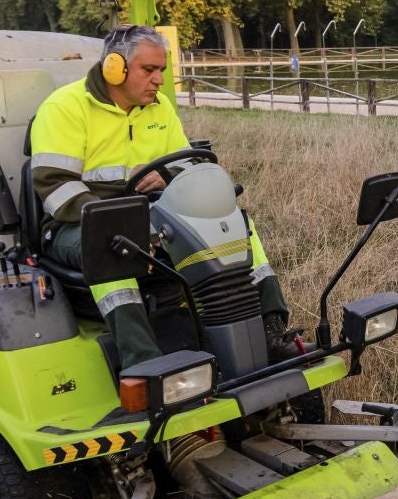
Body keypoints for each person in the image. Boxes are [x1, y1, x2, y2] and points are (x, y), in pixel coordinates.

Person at [30, 26, 293, 387]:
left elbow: (183, 164)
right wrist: (120, 219)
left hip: (151, 214)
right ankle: (146, 364)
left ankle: (270, 330)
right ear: (114, 67)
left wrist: (167, 175)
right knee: (116, 245)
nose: (158, 80)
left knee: (236, 226)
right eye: (149, 70)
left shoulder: (159, 107)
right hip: (74, 224)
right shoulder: (64, 108)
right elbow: (54, 186)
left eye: (162, 71)